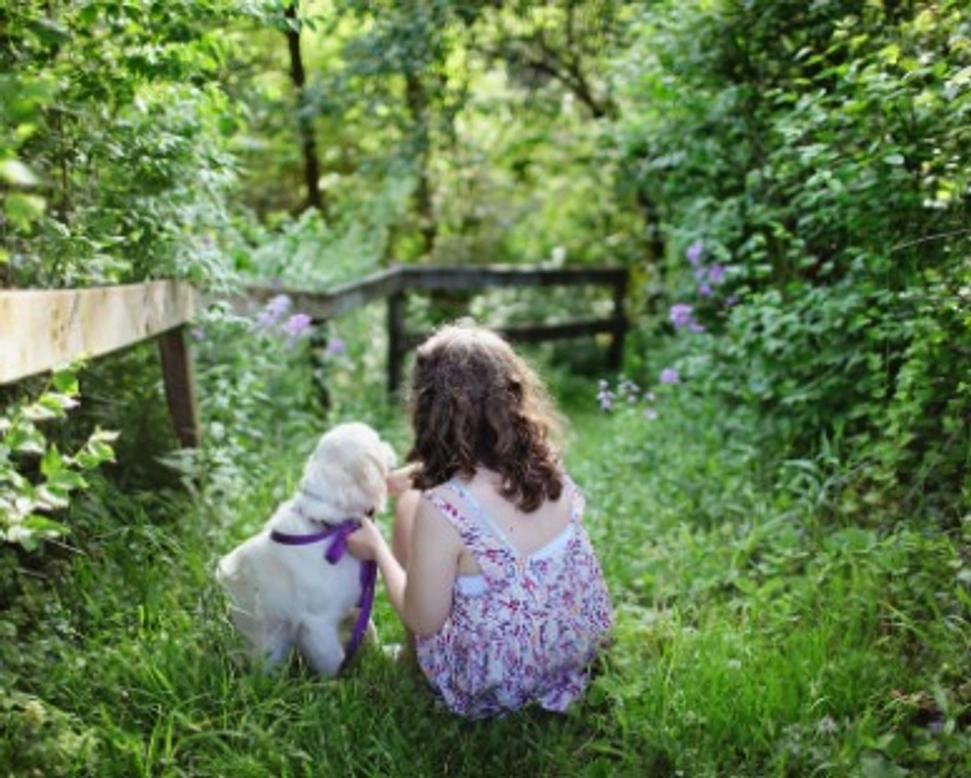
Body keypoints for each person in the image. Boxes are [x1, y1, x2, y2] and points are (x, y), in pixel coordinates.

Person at [346, 321, 613, 718]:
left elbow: (425, 619)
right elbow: (485, 494)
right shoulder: (547, 466)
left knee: (409, 508)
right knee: (420, 503)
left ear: (431, 408)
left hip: (496, 681)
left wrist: (378, 550)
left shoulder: (441, 508)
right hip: (574, 649)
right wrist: (422, 474)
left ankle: (415, 664)